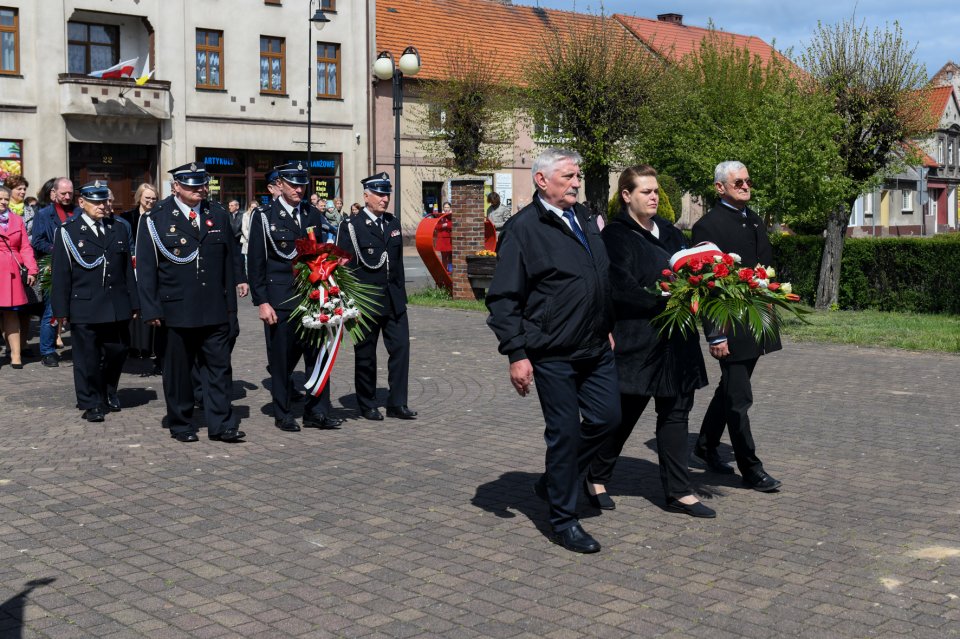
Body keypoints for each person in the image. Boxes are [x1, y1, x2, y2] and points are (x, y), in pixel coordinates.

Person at [485, 148, 619, 554]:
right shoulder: (523, 229)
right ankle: (563, 519)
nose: (576, 182)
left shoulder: (582, 217)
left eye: (577, 175)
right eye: (567, 176)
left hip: (595, 345)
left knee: (608, 419)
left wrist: (606, 324)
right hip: (551, 351)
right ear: (542, 180)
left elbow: (598, 276)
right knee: (564, 434)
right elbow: (504, 298)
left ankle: (552, 480)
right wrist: (516, 354)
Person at [584, 166, 714, 518]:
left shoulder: (672, 233)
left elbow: (690, 271)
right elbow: (619, 286)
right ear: (626, 196)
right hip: (639, 341)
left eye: (656, 191)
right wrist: (663, 299)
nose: (654, 196)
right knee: (622, 416)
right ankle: (594, 476)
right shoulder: (615, 236)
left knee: (676, 414)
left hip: (678, 339)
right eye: (646, 191)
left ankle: (679, 491)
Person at [135, 162, 244, 443]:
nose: (200, 190)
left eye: (202, 184)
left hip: (214, 307)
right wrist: (151, 309)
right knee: (178, 371)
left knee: (219, 368)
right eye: (193, 185)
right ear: (176, 187)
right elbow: (146, 269)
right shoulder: (156, 218)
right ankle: (181, 422)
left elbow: (230, 263)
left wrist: (232, 308)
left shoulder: (217, 214)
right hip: (176, 309)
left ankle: (221, 424)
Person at [691, 161, 782, 492]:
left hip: (757, 319)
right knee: (739, 397)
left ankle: (704, 444)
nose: (745, 186)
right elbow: (707, 285)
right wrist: (715, 333)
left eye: (747, 181)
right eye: (738, 182)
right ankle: (751, 467)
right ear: (720, 188)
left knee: (730, 389)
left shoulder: (754, 219)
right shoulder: (707, 227)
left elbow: (764, 268)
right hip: (730, 324)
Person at [247, 163, 342, 431]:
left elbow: (320, 255)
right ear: (280, 185)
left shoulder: (311, 214)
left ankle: (317, 411)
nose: (299, 189)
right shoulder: (265, 216)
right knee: (281, 357)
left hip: (311, 295)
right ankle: (284, 413)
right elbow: (256, 262)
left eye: (302, 184)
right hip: (281, 297)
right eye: (293, 185)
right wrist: (262, 301)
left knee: (317, 354)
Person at [51, 181, 138, 421]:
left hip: (115, 303)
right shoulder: (68, 231)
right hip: (85, 303)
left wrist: (135, 302)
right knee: (86, 357)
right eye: (96, 202)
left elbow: (127, 271)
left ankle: (108, 390)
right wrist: (60, 310)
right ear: (82, 203)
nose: (103, 206)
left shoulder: (118, 228)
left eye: (105, 201)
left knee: (118, 350)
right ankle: (90, 402)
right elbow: (61, 274)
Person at [336, 172, 416, 421]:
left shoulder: (392, 223)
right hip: (366, 301)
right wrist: (348, 303)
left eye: (387, 193)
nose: (385, 198)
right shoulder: (351, 225)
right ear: (366, 195)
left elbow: (398, 264)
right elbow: (342, 267)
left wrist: (401, 295)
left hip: (393, 300)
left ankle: (397, 403)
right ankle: (367, 402)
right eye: (380, 194)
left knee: (401, 349)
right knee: (366, 355)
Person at [31, 177, 79, 368]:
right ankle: (47, 351)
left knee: (79, 309)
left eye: (70, 193)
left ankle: (80, 347)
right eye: (63, 194)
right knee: (52, 310)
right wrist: (58, 249)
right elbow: (37, 241)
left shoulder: (79, 211)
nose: (67, 197)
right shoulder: (44, 214)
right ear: (54, 193)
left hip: (78, 266)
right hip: (54, 265)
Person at [0, 184, 38, 370]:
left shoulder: (17, 220)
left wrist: (32, 269)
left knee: (11, 312)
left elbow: (25, 247)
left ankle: (16, 355)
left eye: (6, 199)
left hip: (12, 271)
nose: (3, 202)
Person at [121, 184, 160, 362]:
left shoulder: (159, 217)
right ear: (139, 198)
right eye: (147, 198)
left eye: (153, 198)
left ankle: (149, 346)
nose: (150, 202)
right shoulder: (127, 218)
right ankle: (133, 346)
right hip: (132, 265)